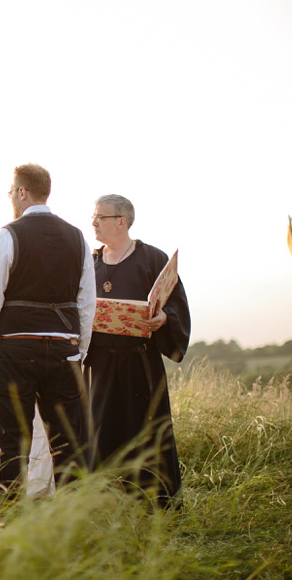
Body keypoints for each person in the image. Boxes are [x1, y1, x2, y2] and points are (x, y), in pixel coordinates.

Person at [0, 164, 96, 499]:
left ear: (21, 192)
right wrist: (79, 349)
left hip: (15, 350)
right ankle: (73, 519)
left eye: (11, 191)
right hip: (65, 351)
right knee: (68, 443)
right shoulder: (77, 237)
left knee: (14, 442)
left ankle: (11, 517)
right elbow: (87, 301)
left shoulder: (8, 234)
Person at [85, 194, 190, 506]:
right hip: (100, 367)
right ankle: (105, 506)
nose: (93, 223)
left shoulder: (152, 259)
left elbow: (176, 305)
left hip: (139, 365)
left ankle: (155, 505)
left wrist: (164, 318)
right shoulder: (89, 263)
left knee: (146, 433)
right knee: (100, 435)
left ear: (121, 221)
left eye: (99, 217)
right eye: (93, 217)